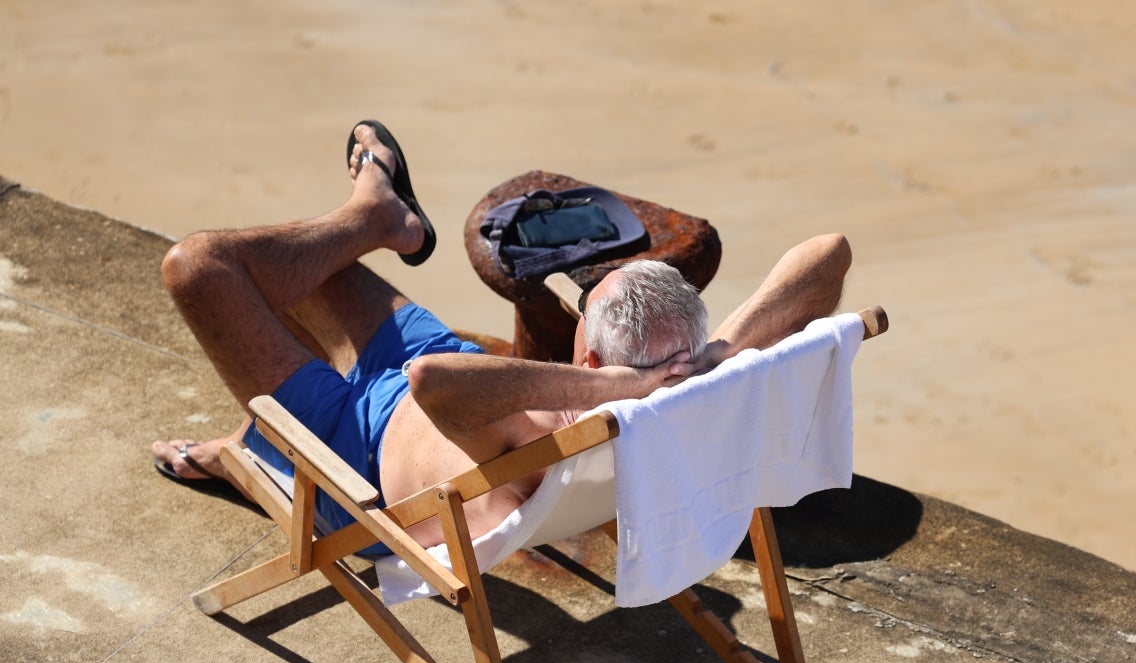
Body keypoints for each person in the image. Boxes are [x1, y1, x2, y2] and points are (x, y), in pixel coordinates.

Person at [152, 122, 852, 553]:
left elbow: (436, 387)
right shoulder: (704, 387)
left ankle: (372, 217)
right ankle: (373, 217)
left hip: (351, 456)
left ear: (591, 356)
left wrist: (617, 385)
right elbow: (830, 252)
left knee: (200, 267)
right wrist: (722, 353)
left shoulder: (554, 422)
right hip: (429, 370)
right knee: (294, 264)